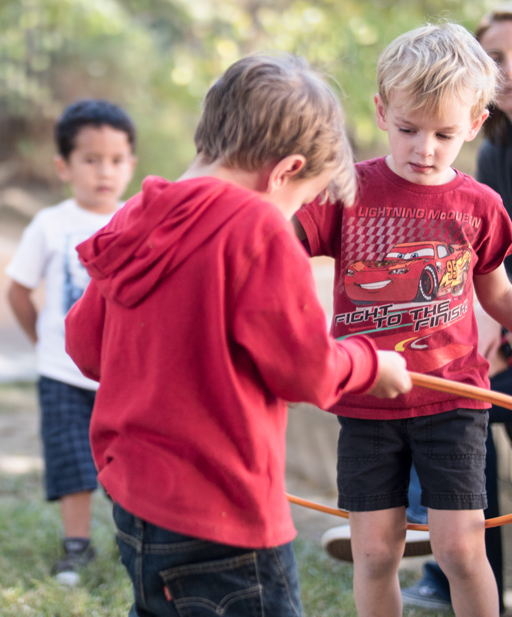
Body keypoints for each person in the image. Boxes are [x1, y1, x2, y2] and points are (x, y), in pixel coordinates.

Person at [64, 54, 413, 617]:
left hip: (135, 499)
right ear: (283, 172)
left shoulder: (133, 214)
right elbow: (306, 371)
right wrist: (371, 365)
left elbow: (84, 347)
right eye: (300, 201)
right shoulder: (256, 230)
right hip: (224, 513)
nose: (292, 214)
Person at [293, 23, 512, 617]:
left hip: (453, 400)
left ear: (476, 124)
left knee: (460, 548)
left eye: (444, 134)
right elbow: (275, 251)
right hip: (367, 399)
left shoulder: (480, 206)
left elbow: (499, 296)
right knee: (374, 552)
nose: (424, 148)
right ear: (382, 111)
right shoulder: (347, 192)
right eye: (408, 129)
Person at [402, 2, 512, 613]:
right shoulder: (495, 156)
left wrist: (510, 345)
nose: (510, 69)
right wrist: (475, 347)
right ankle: (472, 583)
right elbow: (489, 275)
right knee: (464, 398)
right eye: (495, 59)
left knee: (481, 391)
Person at [5, 99, 136, 585]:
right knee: (70, 456)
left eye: (117, 160)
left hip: (123, 374)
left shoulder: (138, 220)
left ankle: (136, 542)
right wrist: (44, 340)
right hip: (61, 372)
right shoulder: (51, 224)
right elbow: (18, 288)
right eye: (90, 159)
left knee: (131, 460)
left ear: (132, 166)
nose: (105, 171)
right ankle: (76, 545)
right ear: (63, 166)